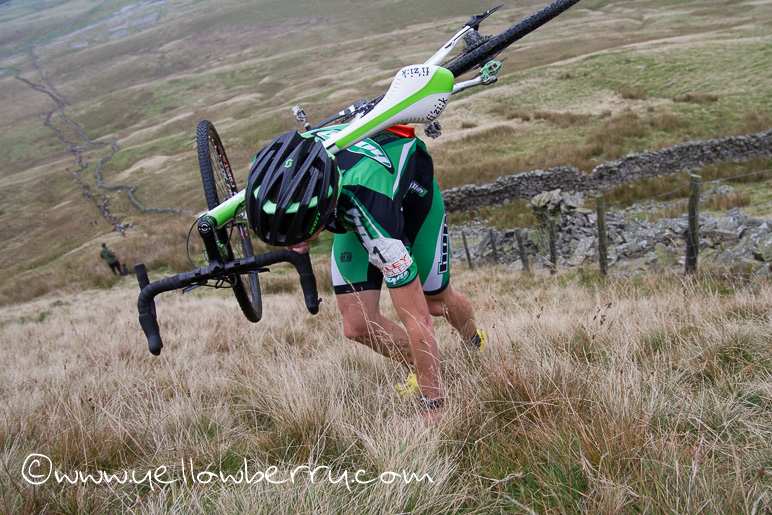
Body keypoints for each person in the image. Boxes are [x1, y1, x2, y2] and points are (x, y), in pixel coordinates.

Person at [245, 126, 485, 416]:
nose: (294, 244)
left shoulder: (371, 210)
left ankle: (473, 341)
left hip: (411, 202)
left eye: (301, 232)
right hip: (349, 203)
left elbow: (417, 319)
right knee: (358, 325)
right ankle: (418, 364)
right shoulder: (276, 168)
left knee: (435, 301)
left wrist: (432, 407)